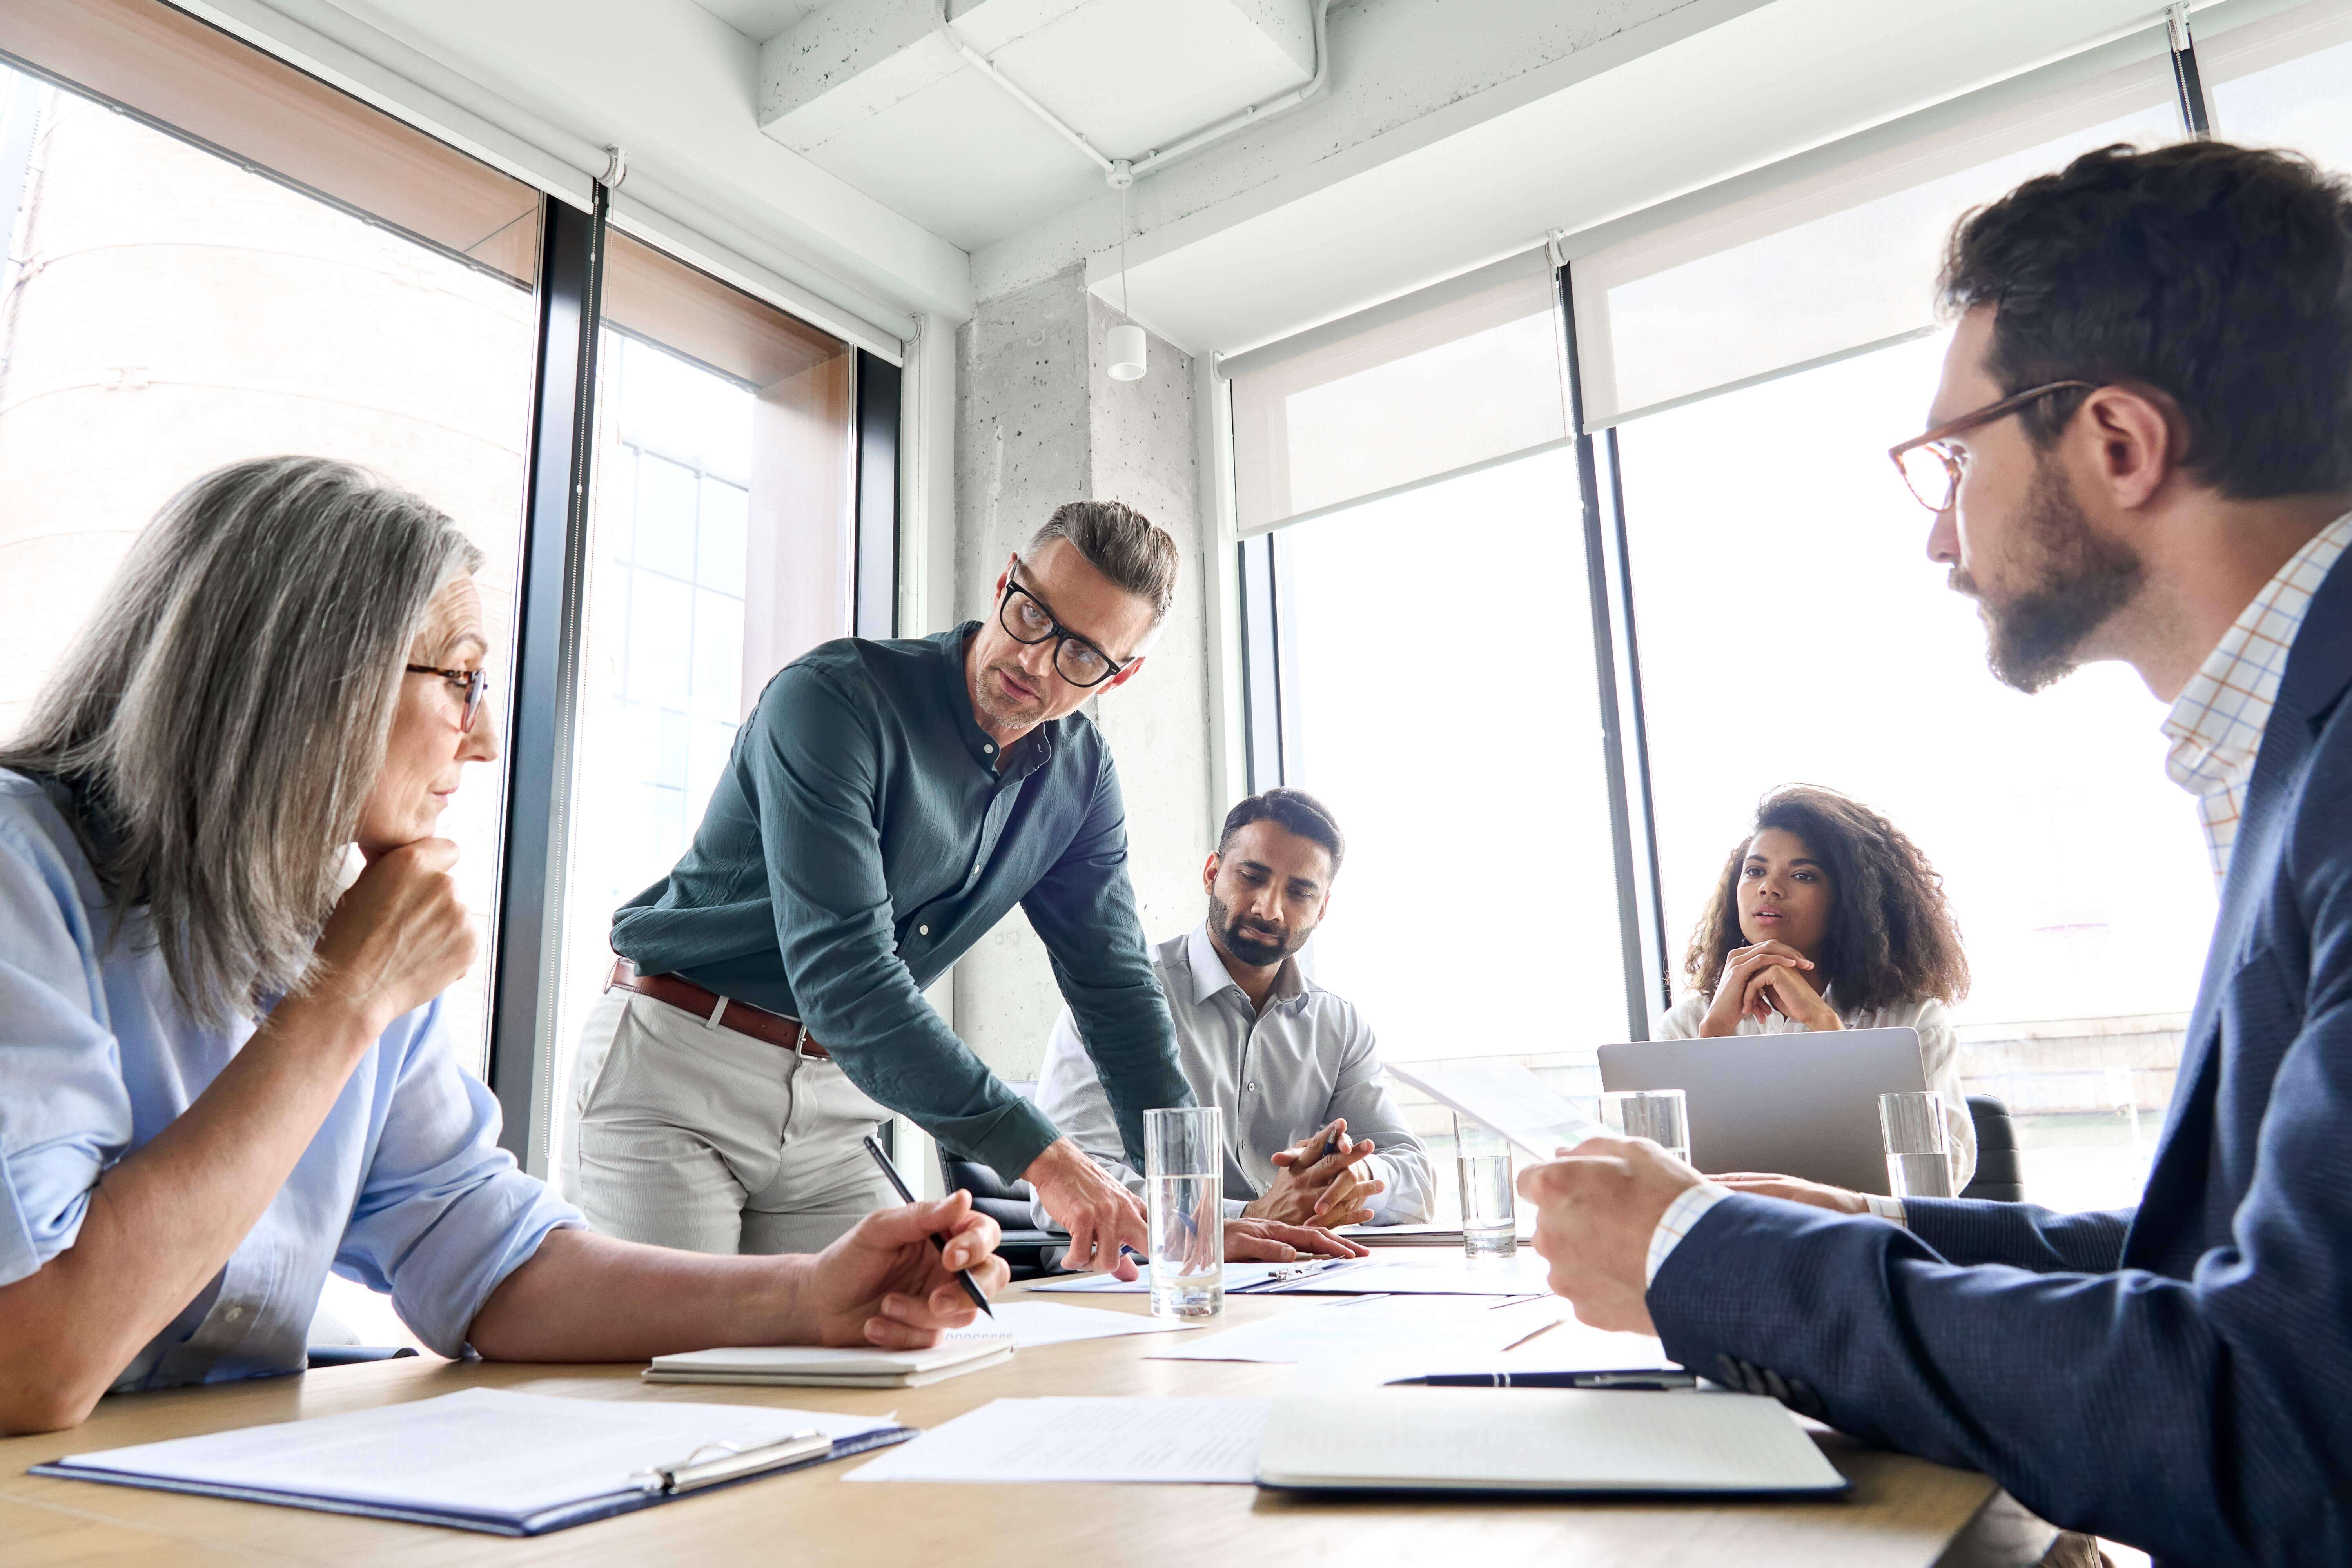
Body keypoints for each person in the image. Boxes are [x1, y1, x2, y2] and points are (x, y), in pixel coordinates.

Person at [1516, 141, 2352, 1566]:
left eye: (1953, 458)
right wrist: (1879, 1221)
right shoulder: (2285, 751)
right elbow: (2221, 1271)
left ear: (2114, 443)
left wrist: (1694, 1256)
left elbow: (2283, 1418)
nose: (1935, 536)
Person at [0, 458, 1007, 1437]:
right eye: (463, 682)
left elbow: (483, 1257)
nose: (482, 744)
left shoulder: (352, 924)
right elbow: (34, 1358)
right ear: (310, 679)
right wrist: (345, 1004)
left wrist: (809, 1294)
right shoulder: (24, 871)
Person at [570, 502, 1348, 1276]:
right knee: (669, 1372)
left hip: (836, 1103)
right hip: (680, 1066)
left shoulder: (1079, 776)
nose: (1037, 662)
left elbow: (1116, 992)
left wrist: (1193, 1212)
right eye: (1032, 615)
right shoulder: (834, 700)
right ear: (1007, 579)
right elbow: (850, 980)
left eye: (1083, 655)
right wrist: (1049, 1160)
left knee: (891, 1356)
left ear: (1123, 673)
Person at [1031, 788, 1433, 1246]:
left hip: (1290, 1279)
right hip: (1146, 1282)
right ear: (1211, 873)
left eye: (1300, 892)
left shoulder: (1338, 1026)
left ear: (1322, 910)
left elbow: (1416, 1176)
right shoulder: (1115, 996)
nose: (1270, 909)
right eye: (1251, 877)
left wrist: (1353, 1176)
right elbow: (1066, 1185)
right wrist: (1246, 1216)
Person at [1662, 784, 1975, 1188]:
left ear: (1851, 899)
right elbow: (1662, 1187)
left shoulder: (1913, 1023)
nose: (1768, 888)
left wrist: (1824, 1025)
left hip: (1862, 1240)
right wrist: (1713, 1042)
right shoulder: (1688, 1025)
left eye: (1802, 875)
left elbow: (1939, 1178)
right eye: (1755, 871)